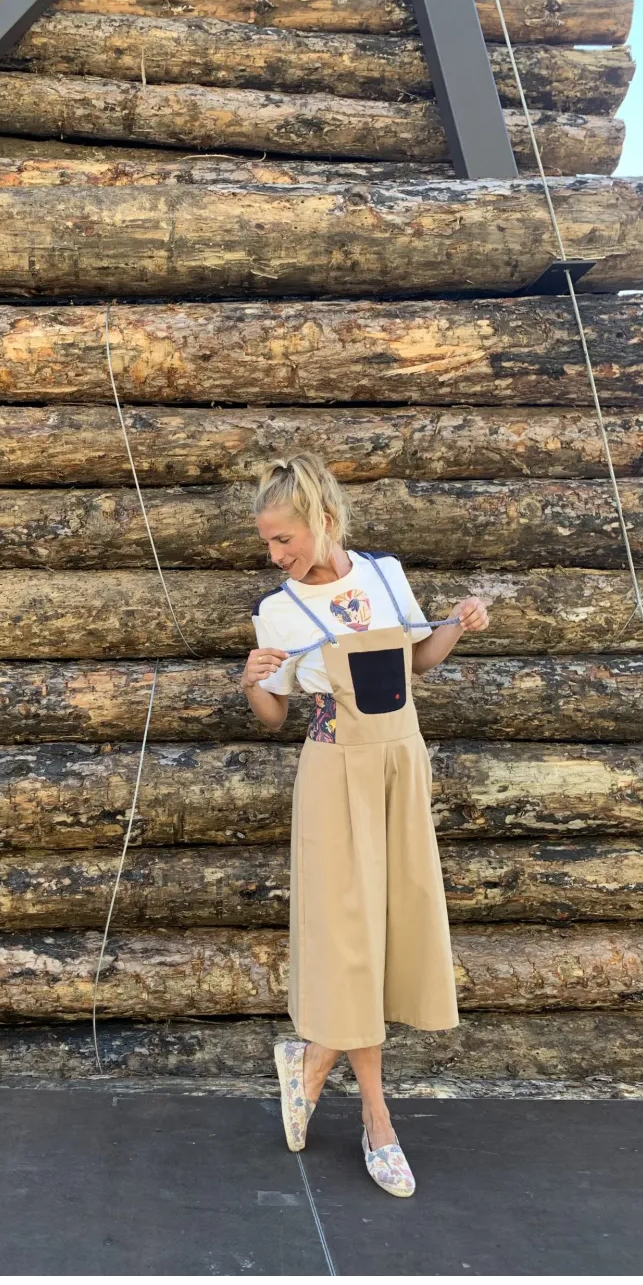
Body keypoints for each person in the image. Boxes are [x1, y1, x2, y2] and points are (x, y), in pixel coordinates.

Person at [244, 454, 489, 1197]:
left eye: (284, 538)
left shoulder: (384, 574)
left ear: (322, 520)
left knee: (387, 935)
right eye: (269, 545)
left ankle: (312, 1060)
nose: (276, 554)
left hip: (399, 766)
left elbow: (418, 663)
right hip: (333, 772)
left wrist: (460, 624)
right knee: (351, 943)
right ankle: (378, 1122)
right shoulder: (279, 609)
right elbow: (273, 713)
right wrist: (254, 680)